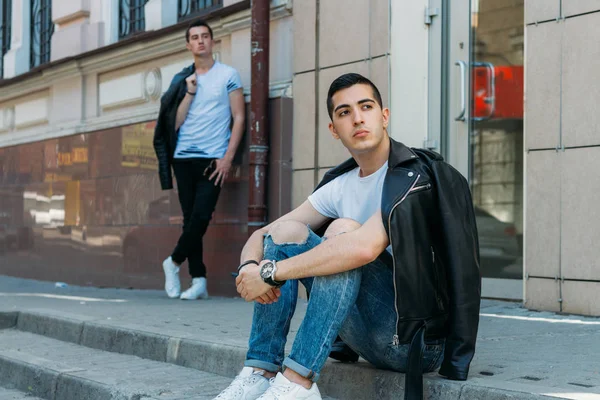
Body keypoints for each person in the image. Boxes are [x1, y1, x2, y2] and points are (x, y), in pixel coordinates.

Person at [213, 73, 481, 400]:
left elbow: (363, 249)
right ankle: (262, 369)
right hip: (359, 332)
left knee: (343, 232)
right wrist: (249, 270)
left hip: (412, 343)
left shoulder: (413, 177)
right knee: (286, 232)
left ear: (384, 116)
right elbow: (266, 234)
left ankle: (298, 382)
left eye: (365, 106)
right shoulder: (340, 184)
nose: (356, 118)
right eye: (343, 112)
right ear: (334, 129)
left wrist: (270, 274)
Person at [153, 20, 245, 300]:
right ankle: (199, 280)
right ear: (188, 45)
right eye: (195, 37)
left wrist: (227, 158)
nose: (200, 41)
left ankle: (173, 261)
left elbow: (239, 116)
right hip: (183, 158)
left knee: (201, 216)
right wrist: (190, 92)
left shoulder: (228, 74)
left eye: (205, 36)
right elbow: (174, 124)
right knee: (190, 220)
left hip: (213, 159)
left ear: (212, 41)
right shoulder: (183, 80)